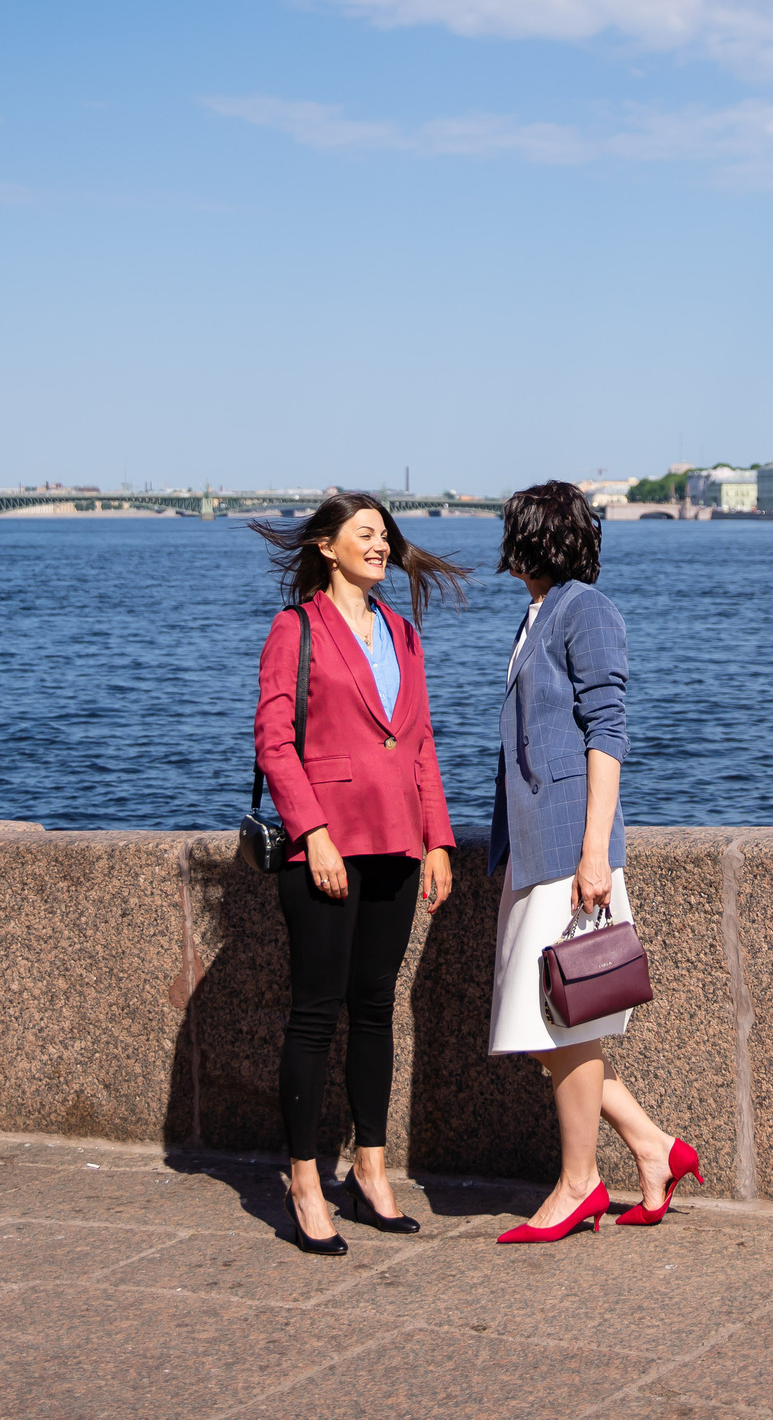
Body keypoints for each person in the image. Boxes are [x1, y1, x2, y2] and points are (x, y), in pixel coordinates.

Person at [250, 494, 468, 1255]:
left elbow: (421, 746)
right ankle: (305, 1180)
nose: (381, 546)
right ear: (326, 546)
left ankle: (371, 1170)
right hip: (328, 848)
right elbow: (274, 742)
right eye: (365, 535)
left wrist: (437, 838)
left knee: (376, 1007)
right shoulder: (296, 629)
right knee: (316, 1013)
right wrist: (313, 833)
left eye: (386, 536)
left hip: (399, 847)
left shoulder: (404, 633)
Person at [485, 481, 699, 1244]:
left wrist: (593, 852)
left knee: (560, 1020)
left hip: (570, 849)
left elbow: (608, 732)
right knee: (558, 1026)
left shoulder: (586, 609)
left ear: (532, 536)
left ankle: (579, 1184)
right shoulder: (540, 611)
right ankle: (654, 1147)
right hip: (534, 844)